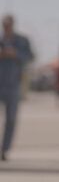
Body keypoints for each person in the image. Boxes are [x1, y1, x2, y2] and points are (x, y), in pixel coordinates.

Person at [0, 14, 35, 161]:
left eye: (9, 24)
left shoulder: (21, 41)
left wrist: (15, 54)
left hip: (14, 85)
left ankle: (4, 150)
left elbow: (30, 57)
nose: (7, 26)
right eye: (4, 24)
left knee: (11, 119)